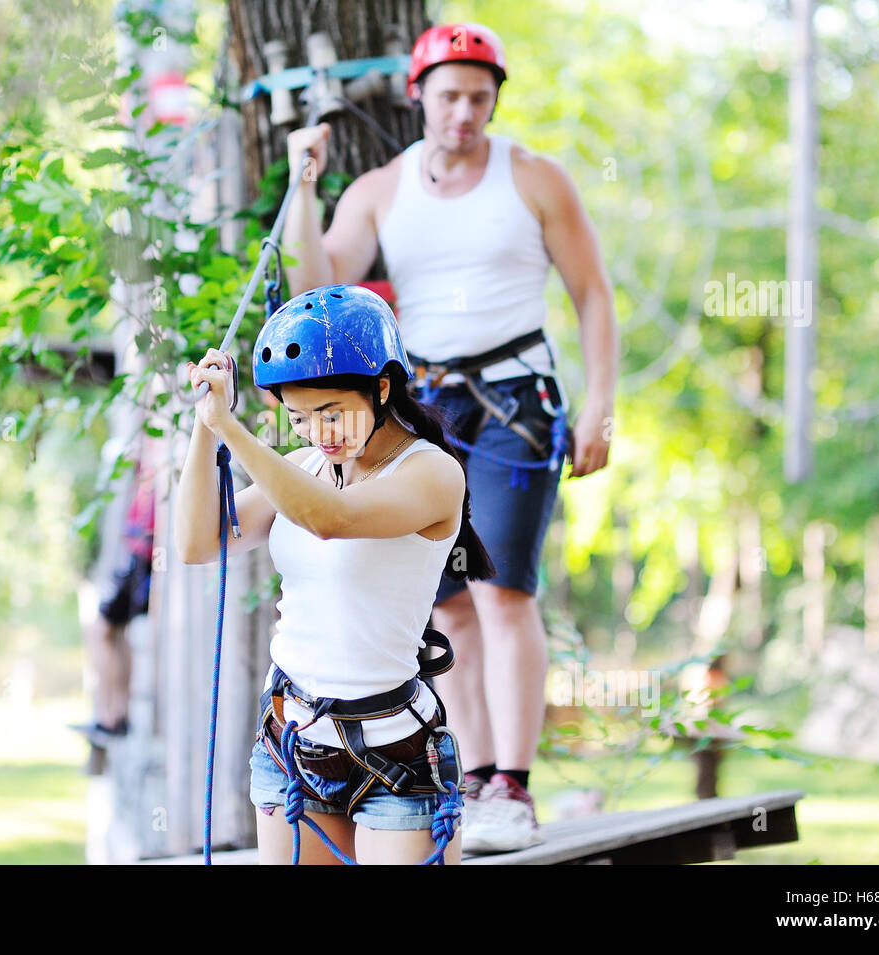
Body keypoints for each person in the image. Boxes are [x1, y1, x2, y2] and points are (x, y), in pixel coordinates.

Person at [282, 22, 619, 852]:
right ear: (419, 99)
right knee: (453, 601)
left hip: (514, 400)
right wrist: (304, 187)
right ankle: (473, 777)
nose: (464, 112)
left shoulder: (535, 178)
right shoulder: (381, 189)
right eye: (448, 96)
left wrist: (600, 407)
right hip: (424, 408)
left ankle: (514, 781)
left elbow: (594, 295)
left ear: (494, 99)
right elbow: (314, 282)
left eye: (478, 96)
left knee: (507, 592)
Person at [175, 284, 498, 865]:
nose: (319, 434)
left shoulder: (433, 473)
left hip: (395, 749)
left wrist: (230, 428)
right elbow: (200, 542)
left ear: (381, 386)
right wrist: (205, 423)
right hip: (294, 741)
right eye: (299, 417)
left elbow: (331, 518)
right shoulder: (303, 467)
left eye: (332, 413)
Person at [71, 458, 155, 749]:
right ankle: (116, 714)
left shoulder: (154, 439)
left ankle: (112, 715)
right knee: (115, 631)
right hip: (140, 547)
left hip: (143, 549)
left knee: (102, 630)